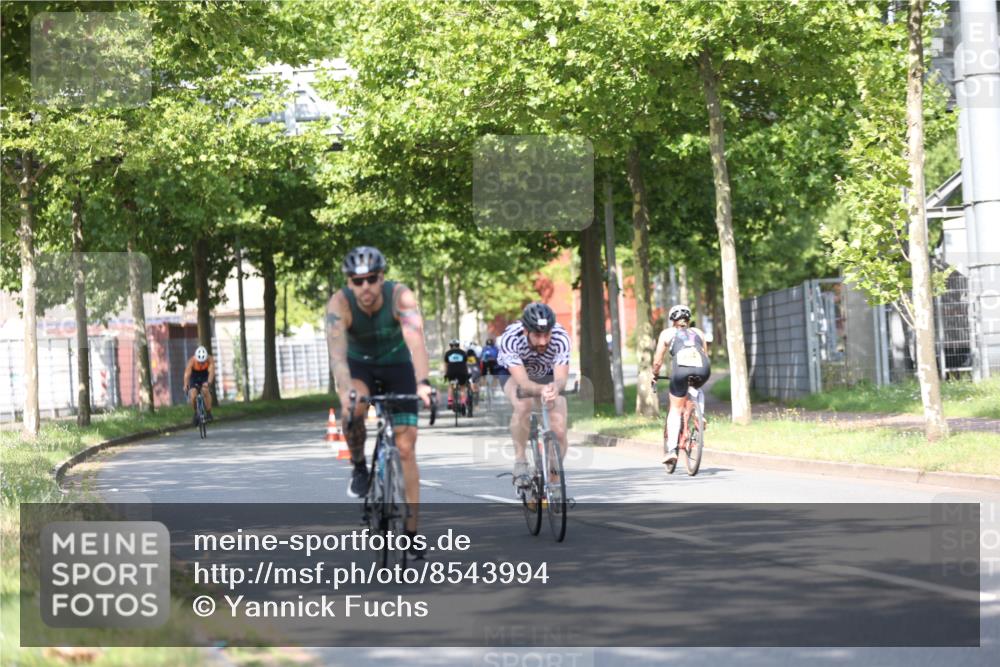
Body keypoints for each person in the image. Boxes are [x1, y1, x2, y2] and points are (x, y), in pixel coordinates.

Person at [325, 246, 434, 552]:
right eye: (357, 281)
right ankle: (360, 466)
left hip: (397, 365)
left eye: (371, 279)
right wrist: (347, 390)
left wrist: (422, 383)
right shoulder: (340, 304)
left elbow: (416, 342)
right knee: (353, 406)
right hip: (359, 367)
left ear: (381, 277)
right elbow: (337, 357)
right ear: (349, 283)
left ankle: (411, 532)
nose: (365, 287)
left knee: (406, 447)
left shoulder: (401, 297)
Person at [496, 302, 571, 488]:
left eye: (547, 335)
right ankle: (520, 461)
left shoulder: (561, 337)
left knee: (560, 431)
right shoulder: (510, 338)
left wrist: (555, 387)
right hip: (515, 373)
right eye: (537, 335)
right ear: (525, 330)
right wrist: (541, 390)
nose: (543, 342)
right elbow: (524, 384)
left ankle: (552, 479)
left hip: (546, 372)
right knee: (524, 404)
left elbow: (561, 379)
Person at [651, 305, 711, 466]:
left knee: (675, 409)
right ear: (688, 319)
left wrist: (654, 375)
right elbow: (705, 354)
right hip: (703, 369)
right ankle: (700, 414)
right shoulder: (698, 333)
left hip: (681, 372)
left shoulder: (667, 333)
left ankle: (671, 450)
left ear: (673, 320)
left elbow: (657, 361)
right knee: (697, 389)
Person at [183, 345, 214, 426]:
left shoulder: (210, 359)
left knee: (205, 391)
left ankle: (208, 412)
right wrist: (186, 385)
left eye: (203, 362)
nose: (201, 363)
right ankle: (196, 412)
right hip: (194, 376)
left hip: (205, 376)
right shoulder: (191, 361)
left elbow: (211, 372)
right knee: (193, 394)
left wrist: (209, 382)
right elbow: (187, 375)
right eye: (199, 362)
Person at [443, 339, 471, 413]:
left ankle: (450, 402)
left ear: (450, 346)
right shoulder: (463, 352)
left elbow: (446, 365)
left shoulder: (447, 353)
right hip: (462, 372)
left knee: (451, 385)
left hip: (451, 372)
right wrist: (467, 373)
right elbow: (465, 364)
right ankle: (463, 403)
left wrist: (446, 374)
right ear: (458, 345)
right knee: (462, 387)